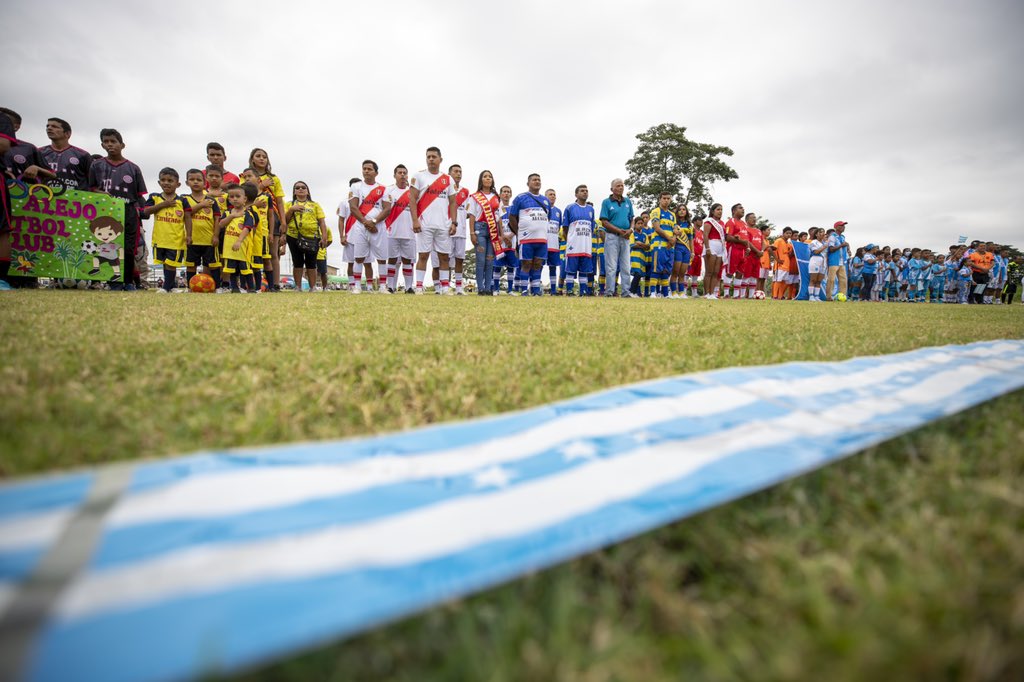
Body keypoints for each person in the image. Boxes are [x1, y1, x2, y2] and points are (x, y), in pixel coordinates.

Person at [87, 128, 146, 291]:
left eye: (113, 141)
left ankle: (127, 282)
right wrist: (100, 193)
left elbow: (140, 195)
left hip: (128, 211)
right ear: (102, 145)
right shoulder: (96, 165)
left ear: (122, 145)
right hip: (105, 212)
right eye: (106, 142)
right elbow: (90, 189)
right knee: (107, 246)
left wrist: (143, 214)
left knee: (128, 248)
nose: (109, 144)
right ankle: (113, 282)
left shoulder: (133, 168)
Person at [410, 146, 458, 295]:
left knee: (444, 256)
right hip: (424, 224)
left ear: (440, 159)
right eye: (428, 156)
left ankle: (444, 287)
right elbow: (412, 199)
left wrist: (454, 222)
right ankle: (418, 286)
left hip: (443, 224)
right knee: (423, 255)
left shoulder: (448, 179)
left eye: (433, 157)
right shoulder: (418, 176)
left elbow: (452, 202)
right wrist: (415, 221)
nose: (431, 159)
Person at [142, 167, 188, 293]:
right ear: (159, 182)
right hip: (159, 238)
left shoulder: (182, 200)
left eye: (170, 180)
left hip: (176, 239)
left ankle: (167, 287)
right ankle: (171, 286)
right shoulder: (154, 197)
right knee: (164, 262)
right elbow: (145, 211)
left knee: (171, 264)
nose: (166, 183)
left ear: (177, 184)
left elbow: (188, 218)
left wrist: (188, 235)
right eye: (163, 180)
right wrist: (163, 204)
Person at [348, 159, 390, 294]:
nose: (366, 171)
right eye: (364, 168)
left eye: (369, 169)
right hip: (361, 226)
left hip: (378, 226)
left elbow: (387, 208)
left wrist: (374, 221)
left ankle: (383, 286)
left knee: (382, 257)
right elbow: (353, 207)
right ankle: (357, 286)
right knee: (359, 257)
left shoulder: (383, 189)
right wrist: (366, 222)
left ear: (376, 172)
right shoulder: (356, 187)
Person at [248, 148, 285, 291]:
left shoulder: (274, 179)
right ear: (252, 159)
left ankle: (275, 284)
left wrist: (283, 221)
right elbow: (242, 194)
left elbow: (280, 201)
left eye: (264, 156)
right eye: (258, 156)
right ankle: (251, 284)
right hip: (251, 215)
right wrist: (261, 186)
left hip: (272, 216)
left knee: (272, 253)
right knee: (253, 251)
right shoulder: (246, 175)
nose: (262, 159)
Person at [508, 173, 551, 296]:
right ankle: (524, 290)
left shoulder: (546, 200)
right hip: (526, 239)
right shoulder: (520, 198)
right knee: (526, 264)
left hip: (542, 239)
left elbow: (548, 218)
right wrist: (518, 232)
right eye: (534, 180)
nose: (537, 182)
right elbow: (512, 217)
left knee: (537, 264)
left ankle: (536, 290)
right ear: (528, 183)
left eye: (539, 180)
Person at [284, 180, 328, 292]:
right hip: (294, 236)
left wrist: (324, 237)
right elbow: (285, 221)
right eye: (297, 187)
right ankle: (297, 287)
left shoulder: (315, 205)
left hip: (312, 237)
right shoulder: (289, 204)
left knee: (311, 263)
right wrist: (291, 210)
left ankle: (313, 287)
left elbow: (322, 222)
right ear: (294, 192)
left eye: (303, 187)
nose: (300, 189)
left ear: (308, 191)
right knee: (297, 262)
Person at [182, 168, 222, 288]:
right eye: (192, 179)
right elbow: (185, 214)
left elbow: (217, 219)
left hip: (208, 240)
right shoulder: (184, 199)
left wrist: (215, 235)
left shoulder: (211, 201)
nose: (195, 182)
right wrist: (201, 205)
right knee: (191, 265)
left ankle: (217, 288)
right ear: (187, 182)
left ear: (205, 183)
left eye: (199, 180)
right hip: (192, 239)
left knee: (213, 265)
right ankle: (190, 287)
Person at [218, 182, 258, 293]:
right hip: (229, 247)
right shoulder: (227, 213)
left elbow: (247, 228)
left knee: (245, 268)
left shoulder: (248, 214)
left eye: (238, 196)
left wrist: (239, 241)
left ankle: (251, 288)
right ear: (229, 199)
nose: (235, 199)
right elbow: (221, 224)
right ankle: (234, 288)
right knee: (232, 269)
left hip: (242, 247)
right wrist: (231, 216)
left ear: (244, 199)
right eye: (232, 197)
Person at [467, 170, 501, 296]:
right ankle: (480, 288)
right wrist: (471, 233)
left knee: (490, 260)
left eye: (490, 177)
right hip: (479, 229)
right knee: (480, 260)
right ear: (481, 180)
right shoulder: (475, 197)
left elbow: (499, 217)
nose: (488, 179)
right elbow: (471, 215)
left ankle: (488, 288)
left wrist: (501, 234)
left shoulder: (496, 197)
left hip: (493, 231)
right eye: (485, 176)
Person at [599, 179, 634, 297]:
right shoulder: (606, 202)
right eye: (618, 186)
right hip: (612, 237)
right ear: (612, 189)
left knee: (626, 266)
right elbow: (604, 221)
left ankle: (626, 292)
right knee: (611, 266)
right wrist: (619, 230)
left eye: (622, 186)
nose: (621, 188)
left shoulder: (628, 202)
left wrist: (631, 229)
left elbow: (632, 219)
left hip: (626, 238)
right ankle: (609, 292)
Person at [239, 167, 273, 290]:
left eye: (250, 176)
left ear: (258, 179)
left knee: (263, 260)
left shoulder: (266, 196)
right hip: (245, 235)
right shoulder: (240, 198)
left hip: (261, 234)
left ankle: (268, 286)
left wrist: (270, 232)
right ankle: (243, 286)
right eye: (245, 177)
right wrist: (255, 205)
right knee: (244, 261)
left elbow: (270, 215)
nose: (247, 179)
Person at [384, 164, 416, 294]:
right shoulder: (388, 191)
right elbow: (384, 209)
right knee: (392, 259)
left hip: (409, 232)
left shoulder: (413, 192)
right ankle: (391, 286)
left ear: (407, 175)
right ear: (394, 175)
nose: (402, 175)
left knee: (407, 260)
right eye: (399, 173)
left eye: (404, 173)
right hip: (392, 231)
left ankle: (409, 287)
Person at [38, 117, 91, 189]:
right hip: (45, 197)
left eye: (54, 126)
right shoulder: (38, 152)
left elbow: (93, 183)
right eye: (47, 126)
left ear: (67, 133)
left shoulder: (83, 155)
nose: (49, 128)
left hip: (74, 198)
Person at [561, 184, 595, 297]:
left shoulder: (591, 209)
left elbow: (591, 228)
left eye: (586, 190)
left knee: (584, 270)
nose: (585, 192)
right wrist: (570, 240)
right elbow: (565, 228)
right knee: (571, 269)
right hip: (573, 245)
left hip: (586, 245)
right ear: (576, 194)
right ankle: (569, 290)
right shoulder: (570, 208)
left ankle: (583, 291)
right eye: (582, 191)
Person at [205, 165, 230, 291]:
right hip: (207, 230)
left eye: (217, 176)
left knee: (223, 256)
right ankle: (206, 282)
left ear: (222, 178)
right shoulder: (202, 195)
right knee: (208, 258)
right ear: (206, 177)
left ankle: (225, 284)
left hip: (224, 230)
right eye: (211, 176)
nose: (214, 178)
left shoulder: (227, 196)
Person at [648, 192, 676, 298]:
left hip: (670, 246)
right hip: (658, 244)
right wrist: (669, 238)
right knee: (656, 269)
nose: (666, 200)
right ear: (660, 199)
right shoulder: (656, 211)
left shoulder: (672, 215)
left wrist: (673, 239)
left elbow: (675, 230)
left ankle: (665, 294)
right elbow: (657, 228)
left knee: (666, 270)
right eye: (664, 198)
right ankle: (653, 293)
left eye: (668, 198)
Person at [337, 177, 360, 291]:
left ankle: (364, 285)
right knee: (351, 262)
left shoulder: (366, 201)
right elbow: (341, 220)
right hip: (350, 236)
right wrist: (342, 235)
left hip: (364, 236)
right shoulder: (344, 202)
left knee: (365, 262)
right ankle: (352, 285)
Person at [723, 203, 749, 298]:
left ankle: (736, 295)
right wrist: (739, 240)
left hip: (743, 251)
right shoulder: (731, 222)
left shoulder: (744, 224)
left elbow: (747, 239)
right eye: (740, 208)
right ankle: (726, 293)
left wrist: (748, 248)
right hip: (733, 249)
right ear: (734, 211)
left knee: (740, 272)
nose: (743, 209)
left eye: (743, 208)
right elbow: (727, 237)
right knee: (730, 271)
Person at [703, 203, 727, 299]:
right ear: (713, 211)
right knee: (709, 271)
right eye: (718, 209)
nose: (720, 211)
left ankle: (712, 293)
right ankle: (706, 293)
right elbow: (705, 235)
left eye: (721, 209)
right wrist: (708, 248)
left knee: (716, 272)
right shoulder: (708, 222)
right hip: (711, 244)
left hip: (720, 246)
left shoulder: (722, 223)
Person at [670, 204, 692, 298]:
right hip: (677, 247)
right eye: (680, 209)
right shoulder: (675, 223)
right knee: (675, 271)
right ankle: (673, 292)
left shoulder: (689, 225)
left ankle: (682, 292)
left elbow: (691, 240)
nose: (682, 211)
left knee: (683, 273)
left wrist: (692, 252)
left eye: (684, 209)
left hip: (686, 249)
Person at [825, 220, 850, 301]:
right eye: (841, 226)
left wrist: (848, 250)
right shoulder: (832, 237)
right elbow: (831, 249)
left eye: (844, 226)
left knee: (843, 280)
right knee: (831, 279)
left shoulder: (842, 237)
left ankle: (842, 296)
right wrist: (841, 245)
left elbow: (845, 246)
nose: (843, 227)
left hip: (842, 261)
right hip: (834, 261)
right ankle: (829, 297)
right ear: (836, 227)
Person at [629, 216, 653, 297]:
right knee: (637, 274)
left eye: (641, 223)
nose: (640, 225)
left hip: (642, 258)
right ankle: (632, 291)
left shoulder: (645, 235)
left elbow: (648, 246)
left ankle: (634, 292)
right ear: (635, 225)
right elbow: (632, 245)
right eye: (638, 223)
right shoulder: (632, 234)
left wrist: (640, 244)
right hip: (634, 257)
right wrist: (643, 245)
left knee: (639, 275)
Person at [742, 213, 764, 299]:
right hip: (749, 256)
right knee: (746, 275)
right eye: (752, 218)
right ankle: (742, 295)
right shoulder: (745, 229)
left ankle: (751, 295)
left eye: (755, 218)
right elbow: (748, 242)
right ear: (747, 220)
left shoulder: (758, 231)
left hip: (757, 257)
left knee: (754, 277)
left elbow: (762, 242)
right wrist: (757, 251)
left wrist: (761, 251)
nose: (754, 219)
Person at [544, 188, 561, 295]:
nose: (553, 196)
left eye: (554, 194)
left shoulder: (558, 211)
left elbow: (559, 228)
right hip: (543, 244)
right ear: (545, 197)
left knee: (553, 268)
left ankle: (553, 290)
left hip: (554, 245)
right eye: (550, 194)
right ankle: (535, 288)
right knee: (538, 266)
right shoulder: (541, 209)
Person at [771, 227, 795, 300]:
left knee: (784, 281)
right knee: (778, 280)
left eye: (790, 233)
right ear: (783, 233)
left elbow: (790, 254)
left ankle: (780, 296)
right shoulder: (779, 240)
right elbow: (770, 249)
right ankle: (775, 296)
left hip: (786, 265)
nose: (788, 235)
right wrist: (777, 259)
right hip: (780, 265)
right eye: (787, 233)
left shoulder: (788, 244)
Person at [685, 214, 704, 297]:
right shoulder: (691, 230)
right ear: (694, 221)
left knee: (696, 275)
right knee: (687, 273)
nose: (701, 222)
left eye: (702, 220)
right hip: (691, 255)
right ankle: (684, 291)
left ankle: (694, 292)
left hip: (699, 256)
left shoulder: (702, 233)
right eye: (699, 220)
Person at [806, 227, 827, 301]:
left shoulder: (824, 243)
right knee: (813, 279)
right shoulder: (813, 242)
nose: (822, 233)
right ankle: (811, 296)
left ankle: (817, 296)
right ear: (816, 234)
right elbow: (816, 252)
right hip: (815, 260)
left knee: (819, 281)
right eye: (820, 232)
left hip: (823, 263)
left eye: (823, 232)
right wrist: (824, 247)